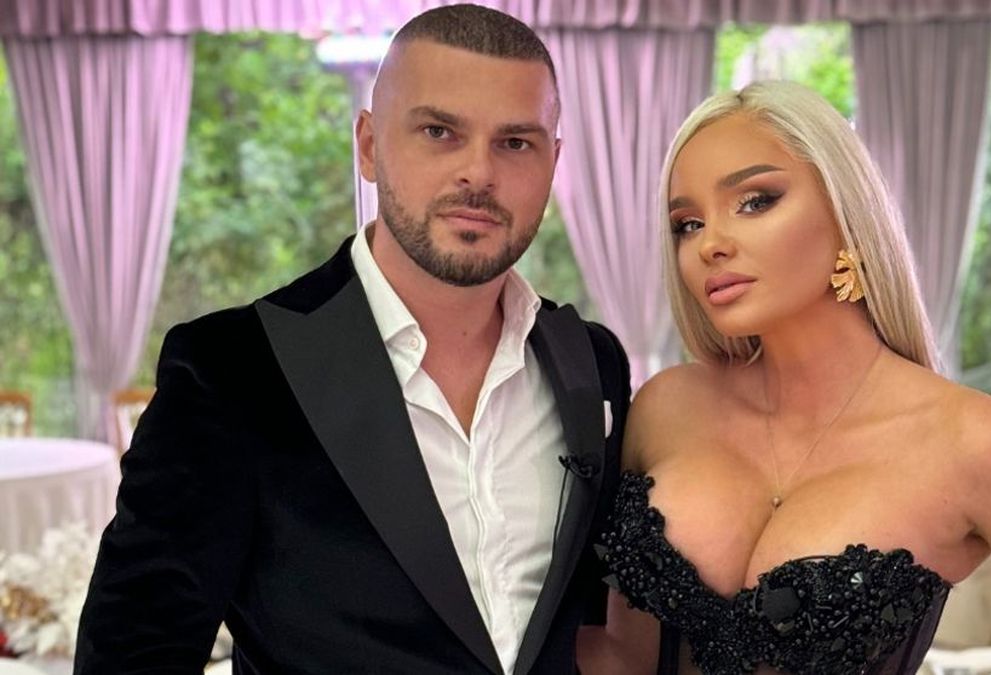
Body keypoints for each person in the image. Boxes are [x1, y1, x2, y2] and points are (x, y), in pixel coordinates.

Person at [75, 5, 630, 674]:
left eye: (515, 142)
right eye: (439, 131)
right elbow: (131, 653)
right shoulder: (233, 371)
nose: (479, 173)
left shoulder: (592, 362)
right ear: (368, 146)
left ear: (553, 162)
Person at [579, 81, 991, 674]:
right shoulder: (668, 406)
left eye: (756, 201)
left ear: (845, 212)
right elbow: (623, 656)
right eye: (687, 223)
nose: (710, 243)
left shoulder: (972, 440)